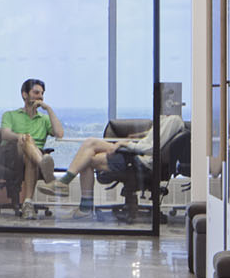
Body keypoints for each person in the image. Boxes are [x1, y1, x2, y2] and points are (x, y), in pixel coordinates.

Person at [58, 85, 187, 216]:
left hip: (140, 160)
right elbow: (151, 140)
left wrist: (125, 144)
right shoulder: (165, 119)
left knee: (88, 154)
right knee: (89, 150)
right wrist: (136, 138)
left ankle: (73, 194)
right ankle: (76, 197)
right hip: (138, 155)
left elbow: (151, 148)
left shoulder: (173, 120)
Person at [0, 78, 61, 218]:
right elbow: (5, 133)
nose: (40, 96)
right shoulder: (10, 114)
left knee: (30, 156)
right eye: (36, 92)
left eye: (42, 94)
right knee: (27, 139)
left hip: (33, 155)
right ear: (24, 94)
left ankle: (28, 204)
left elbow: (59, 133)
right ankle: (47, 173)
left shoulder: (43, 119)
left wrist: (49, 110)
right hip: (12, 152)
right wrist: (19, 136)